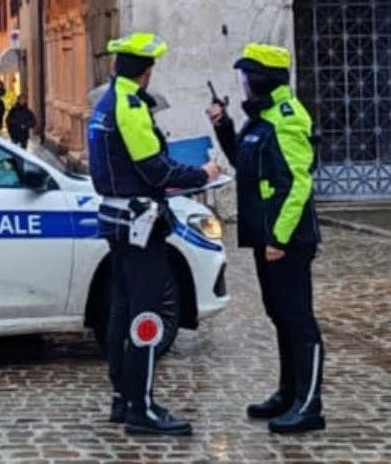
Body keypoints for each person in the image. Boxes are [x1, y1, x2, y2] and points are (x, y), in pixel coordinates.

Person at [87, 32, 222, 436]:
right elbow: (156, 170)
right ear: (146, 73)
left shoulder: (107, 103)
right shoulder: (130, 107)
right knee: (145, 314)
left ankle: (123, 397)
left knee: (122, 312)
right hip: (140, 223)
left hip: (119, 219)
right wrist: (204, 174)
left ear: (116, 67)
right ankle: (142, 407)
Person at [207, 43, 325, 434]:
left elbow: (298, 183)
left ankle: (309, 405)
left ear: (263, 79)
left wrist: (280, 237)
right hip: (264, 236)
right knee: (279, 315)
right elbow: (243, 162)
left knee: (298, 318)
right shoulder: (260, 119)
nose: (242, 84)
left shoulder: (287, 118)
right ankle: (288, 392)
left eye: (247, 77)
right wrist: (223, 126)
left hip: (287, 238)